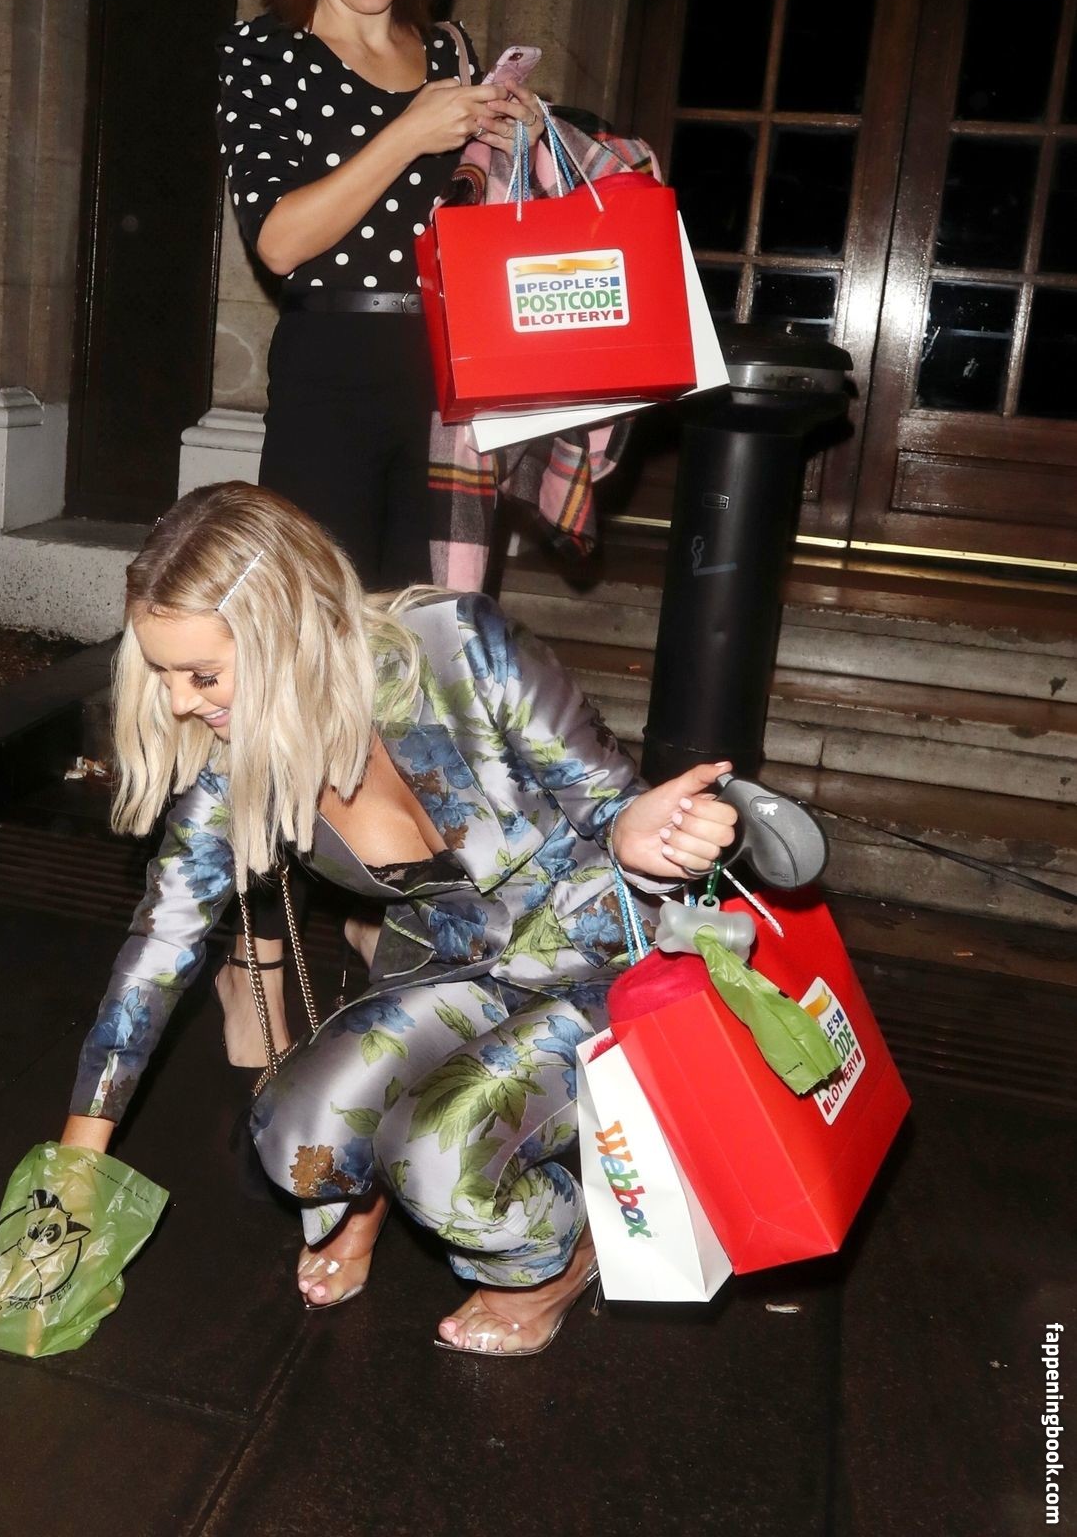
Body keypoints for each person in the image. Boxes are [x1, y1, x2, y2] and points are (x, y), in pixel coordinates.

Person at [61, 483, 738, 1356]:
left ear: (285, 635)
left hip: (603, 964)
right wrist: (78, 1159)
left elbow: (610, 804)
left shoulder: (456, 648)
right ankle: (369, 1197)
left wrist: (645, 834)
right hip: (460, 967)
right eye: (161, 674)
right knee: (296, 1141)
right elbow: (161, 943)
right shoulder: (238, 760)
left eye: (201, 675)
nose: (181, 702)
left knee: (440, 1160)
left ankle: (559, 1255)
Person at [212, 0, 542, 1063]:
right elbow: (281, 240)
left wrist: (506, 143)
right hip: (335, 374)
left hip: (448, 385)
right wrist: (407, 131)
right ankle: (255, 951)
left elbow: (474, 213)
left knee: (421, 679)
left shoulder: (446, 47)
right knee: (296, 677)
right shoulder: (266, 52)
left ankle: (376, 927)